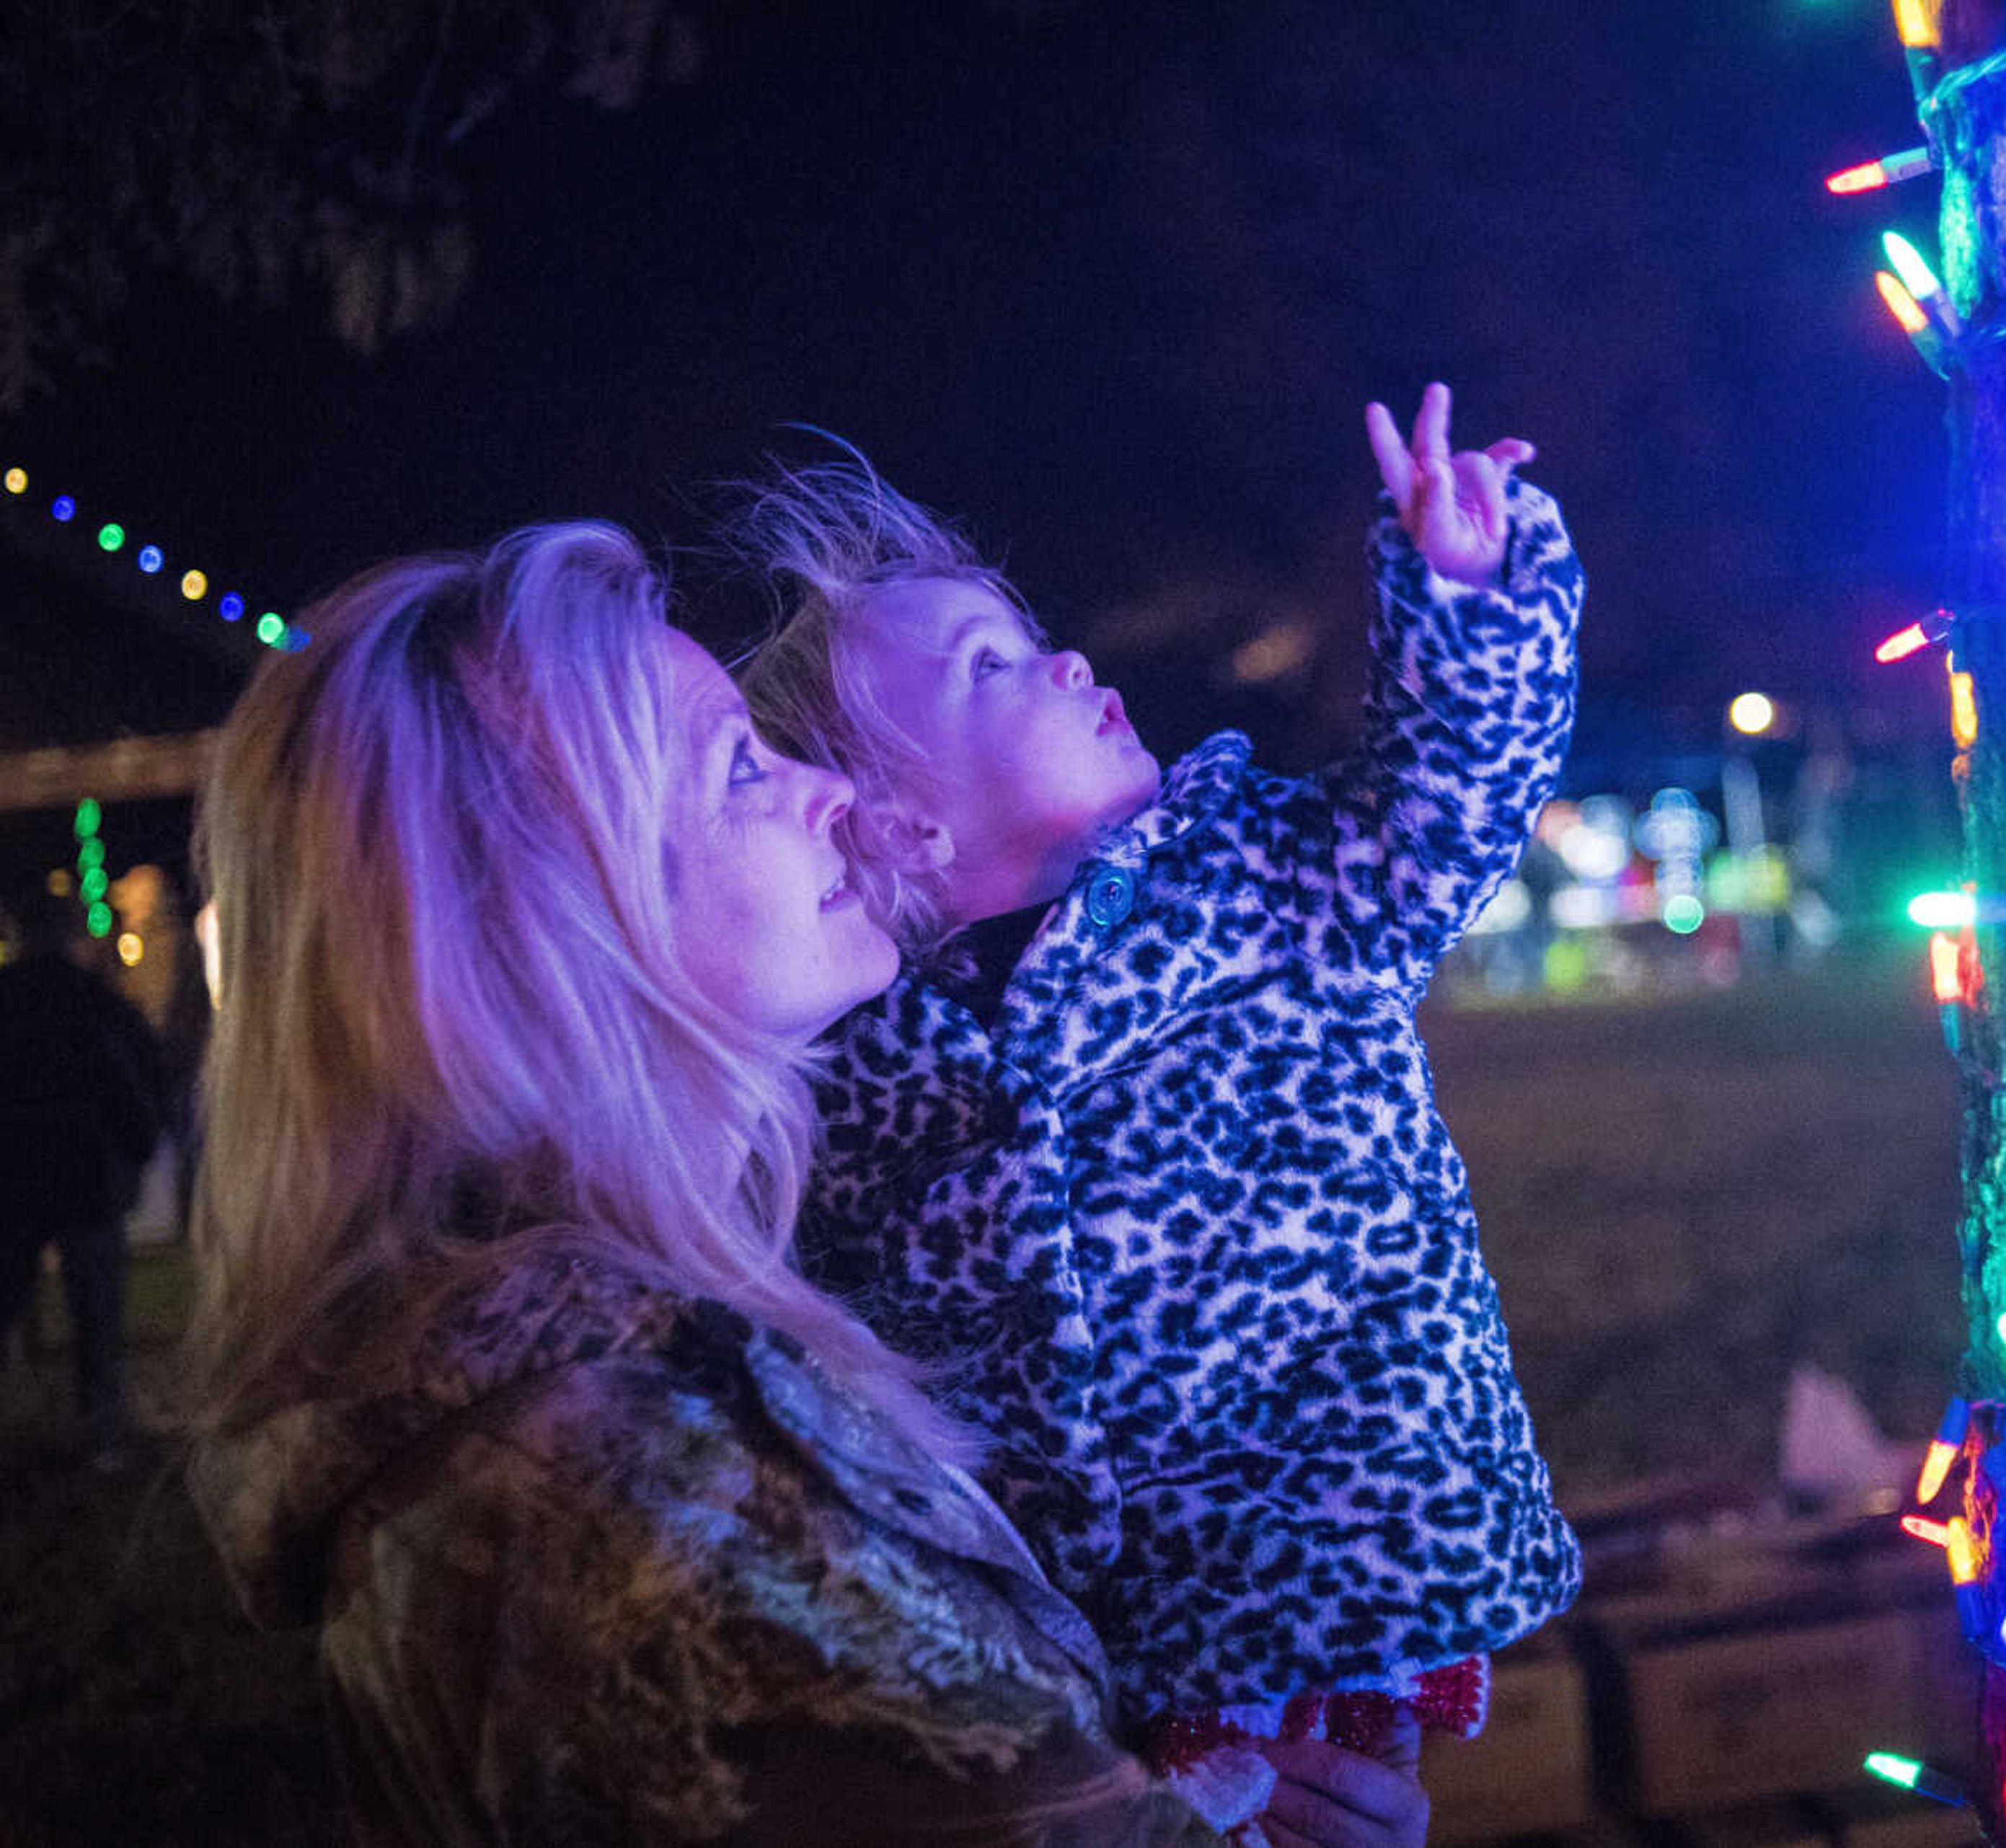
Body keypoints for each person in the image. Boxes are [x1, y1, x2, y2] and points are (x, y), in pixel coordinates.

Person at [183, 523, 1427, 1846]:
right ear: (553, 929)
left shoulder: (580, 1379)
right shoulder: (642, 1501)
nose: (826, 790)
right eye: (736, 768)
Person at [735, 384, 1586, 1823]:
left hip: (1346, 1530)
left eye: (1030, 635)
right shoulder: (855, 1050)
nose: (1066, 661)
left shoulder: (1263, 878)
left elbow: (1452, 794)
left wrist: (1464, 593)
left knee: (1321, 1802)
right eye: (992, 667)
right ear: (898, 824)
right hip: (1085, 1635)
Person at [0, 902, 167, 1459]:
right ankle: (101, 1432)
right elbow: (134, 1079)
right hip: (85, 1178)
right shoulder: (94, 1002)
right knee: (96, 1312)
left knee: (7, 1301)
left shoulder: (12, 998)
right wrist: (139, 1150)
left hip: (14, 1179)